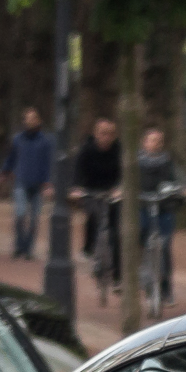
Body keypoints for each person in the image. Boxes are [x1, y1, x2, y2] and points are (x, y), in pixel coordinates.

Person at [133, 128, 186, 304]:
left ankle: (166, 290)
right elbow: (125, 182)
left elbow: (180, 180)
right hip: (143, 207)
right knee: (141, 241)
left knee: (165, 247)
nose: (155, 144)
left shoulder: (168, 162)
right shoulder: (136, 163)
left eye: (159, 141)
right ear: (144, 142)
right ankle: (143, 278)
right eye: (151, 140)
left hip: (164, 209)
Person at [71, 117, 124, 278]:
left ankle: (117, 276)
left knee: (115, 231)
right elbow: (77, 172)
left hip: (112, 191)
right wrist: (76, 188)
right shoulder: (86, 149)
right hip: (91, 190)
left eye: (110, 134)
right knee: (93, 216)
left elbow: (125, 172)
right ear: (95, 134)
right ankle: (89, 247)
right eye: (102, 133)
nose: (106, 137)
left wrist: (120, 188)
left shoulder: (119, 150)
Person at [6, 107, 55, 261]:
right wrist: (3, 172)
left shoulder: (45, 140)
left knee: (34, 218)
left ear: (38, 120)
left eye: (33, 118)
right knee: (20, 214)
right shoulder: (17, 139)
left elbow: (49, 163)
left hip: (38, 183)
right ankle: (19, 246)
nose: (30, 121)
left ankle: (28, 249)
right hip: (21, 181)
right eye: (27, 118)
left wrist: (48, 182)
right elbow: (11, 158)